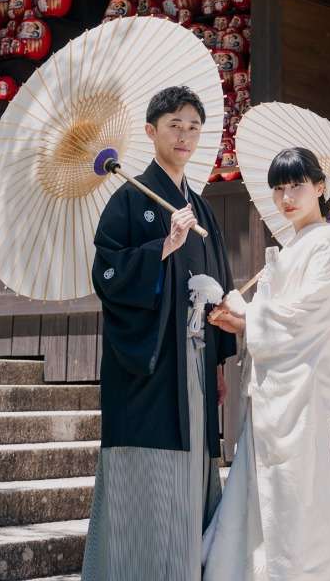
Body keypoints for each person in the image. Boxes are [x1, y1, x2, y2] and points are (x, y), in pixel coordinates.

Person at [81, 85, 237, 581]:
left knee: (195, 464)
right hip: (147, 365)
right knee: (147, 471)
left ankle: (186, 569)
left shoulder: (201, 209)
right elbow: (106, 274)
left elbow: (217, 286)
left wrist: (217, 359)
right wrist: (162, 248)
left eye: (193, 126)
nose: (185, 134)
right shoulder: (128, 200)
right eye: (175, 125)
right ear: (151, 132)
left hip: (193, 360)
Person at [203, 146, 330, 581]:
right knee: (263, 491)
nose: (286, 197)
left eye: (296, 185)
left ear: (319, 187)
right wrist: (243, 309)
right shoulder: (295, 246)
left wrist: (247, 319)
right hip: (274, 388)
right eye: (278, 188)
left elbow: (308, 315)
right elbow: (280, 312)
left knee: (293, 496)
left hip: (298, 390)